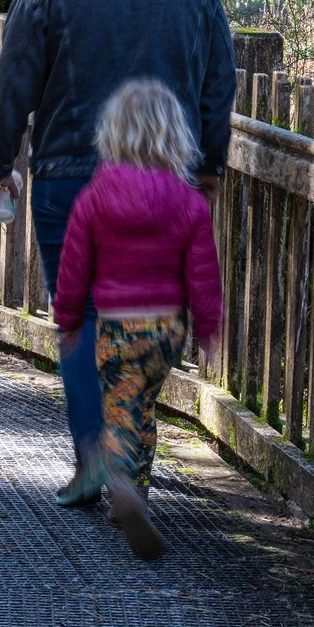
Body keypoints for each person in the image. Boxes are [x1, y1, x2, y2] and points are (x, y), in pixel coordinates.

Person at [0, 0, 237, 507]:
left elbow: (14, 85)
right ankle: (127, 447)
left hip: (69, 179)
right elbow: (218, 85)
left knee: (81, 319)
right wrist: (207, 166)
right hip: (164, 182)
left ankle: (95, 453)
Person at [51, 79, 225, 559]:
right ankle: (136, 493)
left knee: (120, 407)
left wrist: (68, 319)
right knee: (143, 403)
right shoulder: (189, 202)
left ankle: (121, 478)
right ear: (175, 136)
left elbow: (73, 265)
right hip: (166, 329)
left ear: (114, 134)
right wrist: (208, 327)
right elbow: (203, 273)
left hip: (117, 326)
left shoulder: (95, 197)